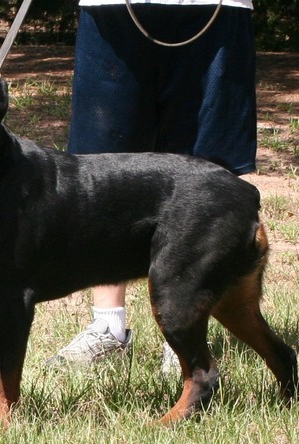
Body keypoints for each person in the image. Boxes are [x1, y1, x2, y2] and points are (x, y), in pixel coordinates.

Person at [46, 0, 257, 371]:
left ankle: (188, 328)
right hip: (112, 8)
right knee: (102, 166)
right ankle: (107, 326)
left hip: (215, 9)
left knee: (207, 169)